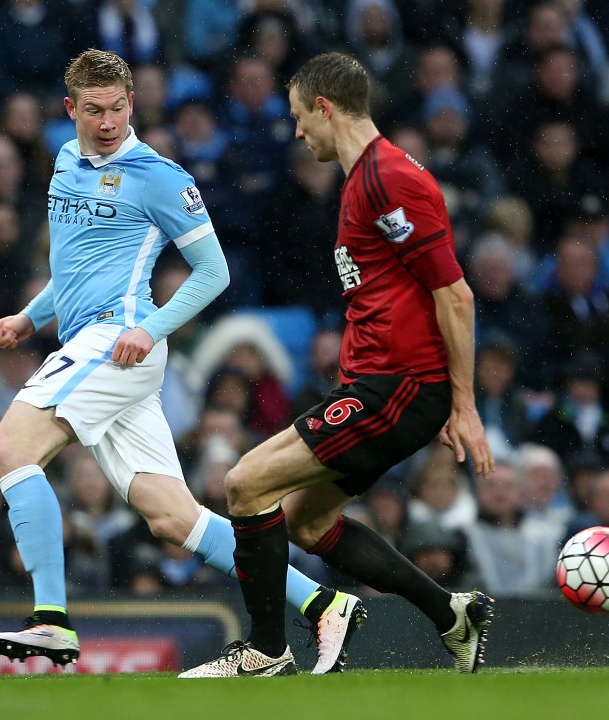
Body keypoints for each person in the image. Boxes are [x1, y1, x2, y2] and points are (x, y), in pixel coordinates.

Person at [0, 49, 361, 674]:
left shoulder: (161, 177)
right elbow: (75, 267)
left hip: (117, 339)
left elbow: (215, 272)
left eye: (118, 108)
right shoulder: (64, 160)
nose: (107, 122)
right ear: (70, 110)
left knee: (9, 452)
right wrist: (31, 315)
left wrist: (150, 330)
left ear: (133, 105)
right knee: (171, 517)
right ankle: (321, 601)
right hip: (90, 342)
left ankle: (50, 619)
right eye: (94, 110)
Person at [181, 52, 495, 679]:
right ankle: (450, 613)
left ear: (325, 108)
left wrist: (461, 404)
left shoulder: (388, 179)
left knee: (244, 484)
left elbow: (454, 294)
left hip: (395, 388)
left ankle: (267, 650)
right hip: (386, 386)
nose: (297, 132)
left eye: (300, 117)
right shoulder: (365, 179)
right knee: (305, 518)